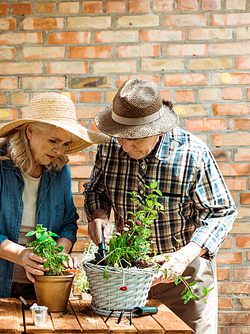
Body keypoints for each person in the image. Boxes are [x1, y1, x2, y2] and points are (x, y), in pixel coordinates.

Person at [83, 78, 237, 334]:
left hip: (184, 276)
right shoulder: (110, 149)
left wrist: (182, 256)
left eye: (133, 139)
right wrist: (98, 215)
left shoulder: (192, 153)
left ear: (157, 130)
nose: (124, 145)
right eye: (120, 136)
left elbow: (221, 212)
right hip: (129, 275)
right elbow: (96, 191)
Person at [0, 92, 110, 300]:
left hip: (42, 285)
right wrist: (22, 255)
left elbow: (68, 223)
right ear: (29, 131)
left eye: (65, 144)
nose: (58, 150)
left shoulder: (59, 170)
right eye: (53, 140)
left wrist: (58, 253)